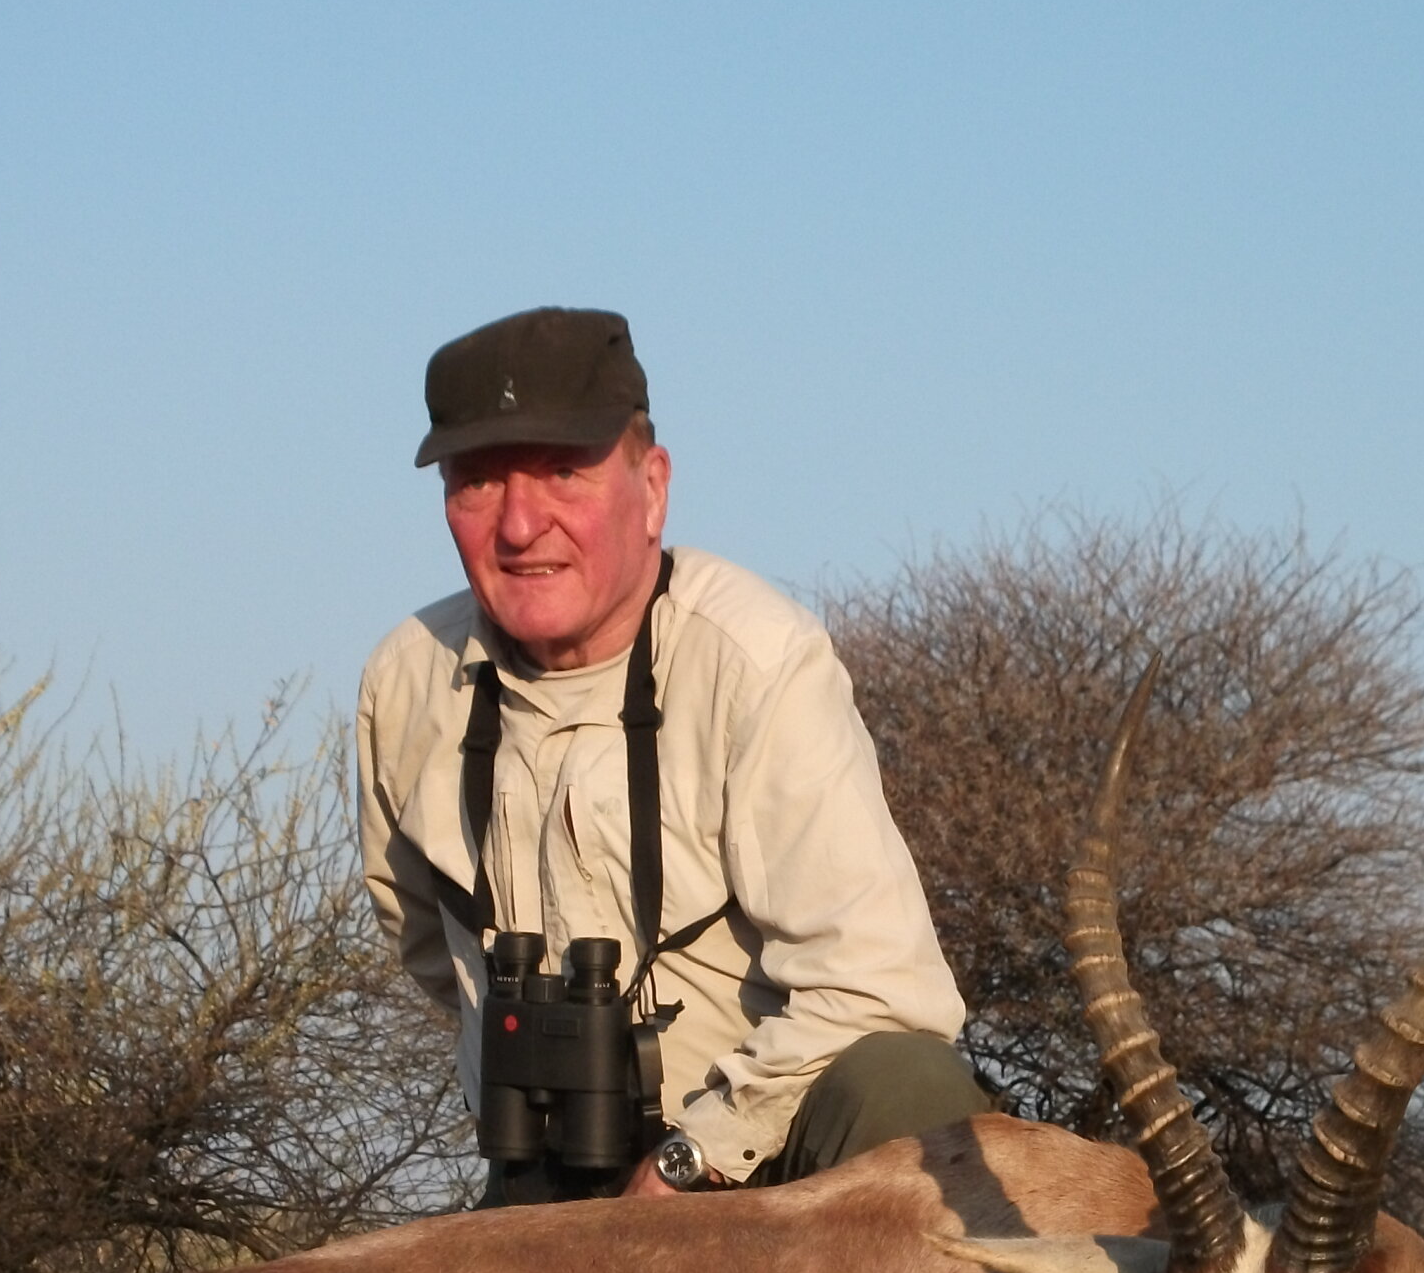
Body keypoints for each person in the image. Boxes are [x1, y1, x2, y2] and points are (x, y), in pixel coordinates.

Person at [356, 305, 986, 1202]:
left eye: (564, 473)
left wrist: (694, 1157)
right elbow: (425, 948)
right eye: (478, 483)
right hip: (553, 1163)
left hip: (769, 1152)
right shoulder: (403, 684)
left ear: (652, 487)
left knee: (908, 1087)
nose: (520, 526)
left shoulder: (758, 660)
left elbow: (881, 988)